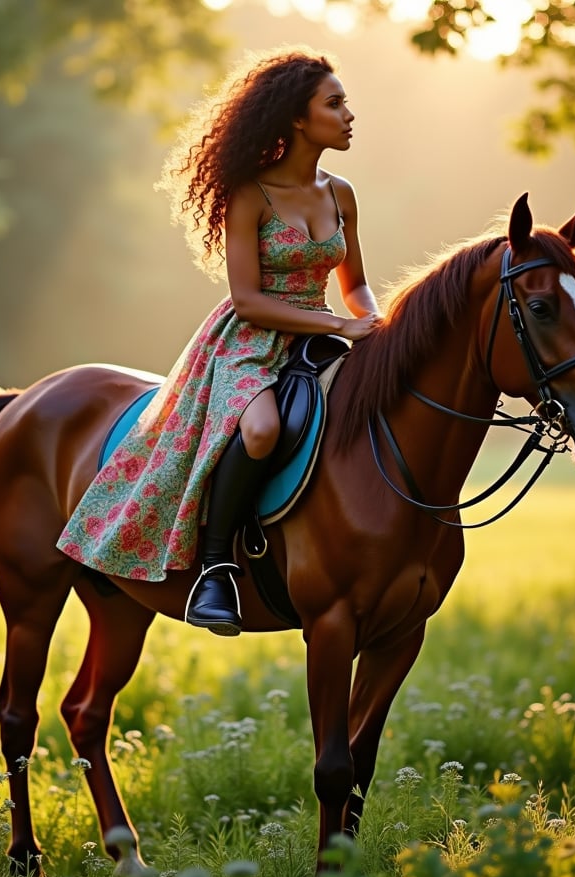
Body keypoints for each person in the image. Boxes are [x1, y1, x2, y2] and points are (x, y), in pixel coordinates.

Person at [56, 47, 382, 636]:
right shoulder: (251, 195)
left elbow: (353, 282)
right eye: (334, 104)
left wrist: (375, 322)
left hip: (319, 340)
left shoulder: (343, 194)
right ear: (297, 119)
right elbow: (248, 299)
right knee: (260, 429)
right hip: (250, 342)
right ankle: (215, 569)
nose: (348, 114)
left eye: (346, 102)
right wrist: (339, 324)